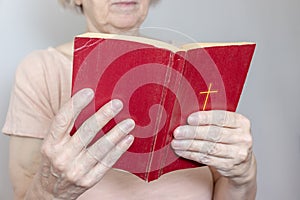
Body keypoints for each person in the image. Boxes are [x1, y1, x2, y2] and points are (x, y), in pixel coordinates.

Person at [2, 0, 257, 199]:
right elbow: (24, 193)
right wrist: (51, 193)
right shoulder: (42, 70)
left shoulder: (193, 65)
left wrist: (243, 176)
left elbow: (231, 188)